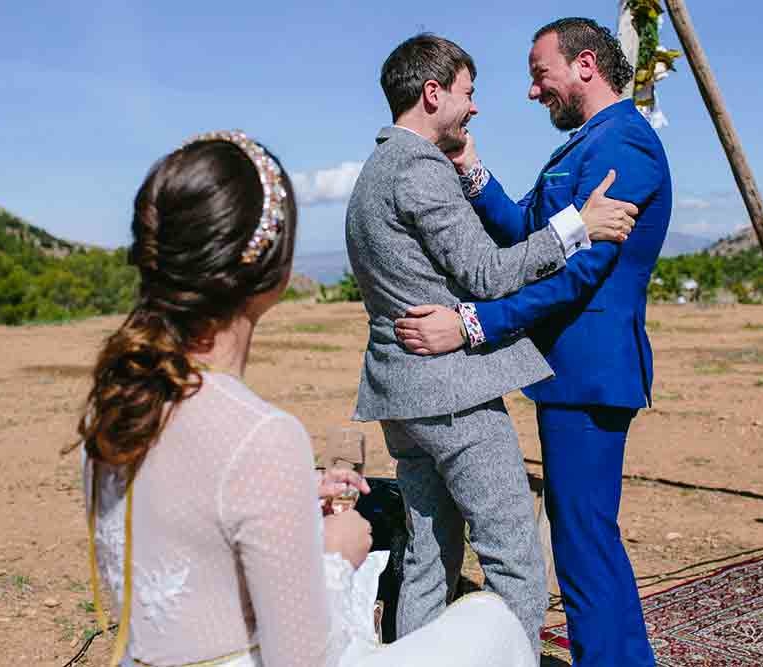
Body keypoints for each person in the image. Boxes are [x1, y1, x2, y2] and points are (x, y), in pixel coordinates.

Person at [79, 130, 531, 667]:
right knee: (491, 625)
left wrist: (285, 500)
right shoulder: (260, 435)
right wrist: (335, 556)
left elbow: (187, 533)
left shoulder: (116, 409)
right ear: (273, 266)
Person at [388, 19, 671, 666]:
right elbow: (531, 235)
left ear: (586, 65)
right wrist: (472, 172)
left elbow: (575, 273)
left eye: (540, 73)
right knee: (584, 538)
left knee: (581, 545)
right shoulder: (587, 143)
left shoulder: (624, 145)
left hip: (590, 370)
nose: (532, 90)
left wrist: (471, 323)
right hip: (568, 371)